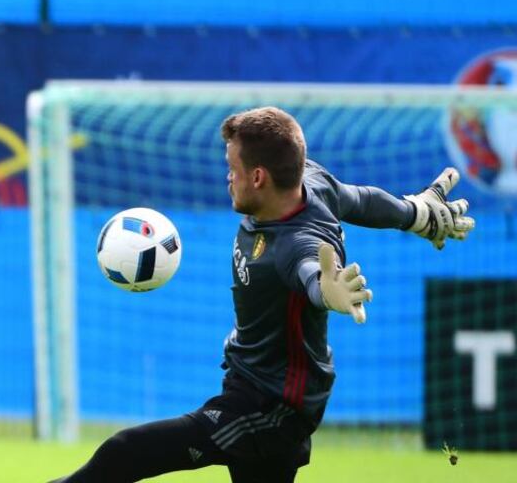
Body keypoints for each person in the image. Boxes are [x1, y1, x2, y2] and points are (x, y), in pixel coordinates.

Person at [52, 106, 475, 483]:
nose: (227, 177)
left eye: (232, 168)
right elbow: (359, 199)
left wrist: (326, 291)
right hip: (255, 382)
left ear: (258, 176)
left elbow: (311, 272)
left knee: (126, 452)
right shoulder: (312, 181)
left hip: (272, 407)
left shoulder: (293, 246)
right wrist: (415, 213)